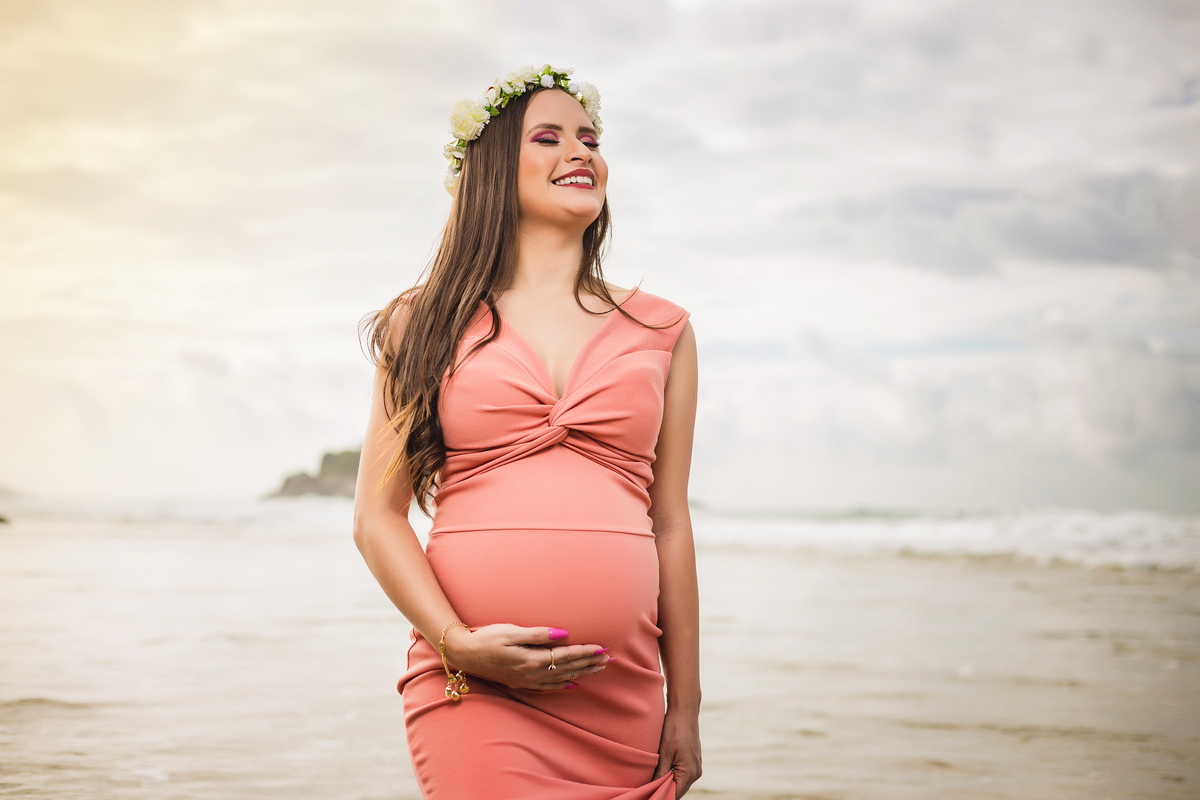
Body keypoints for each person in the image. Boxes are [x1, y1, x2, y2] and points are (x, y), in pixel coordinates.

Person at [353, 65, 702, 799]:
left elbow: (669, 522)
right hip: (473, 685)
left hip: (621, 697)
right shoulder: (424, 321)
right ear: (488, 172)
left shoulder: (664, 329)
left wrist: (688, 705)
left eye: (591, 138)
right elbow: (376, 520)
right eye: (549, 137)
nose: (581, 152)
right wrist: (457, 644)